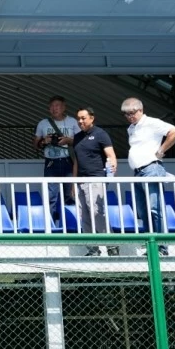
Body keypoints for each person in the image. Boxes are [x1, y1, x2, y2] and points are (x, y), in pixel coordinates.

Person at [122, 97, 175, 255]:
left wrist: (161, 150)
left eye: (132, 113)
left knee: (155, 209)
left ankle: (162, 247)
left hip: (151, 168)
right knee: (143, 211)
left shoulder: (152, 123)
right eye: (126, 114)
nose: (129, 116)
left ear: (140, 110)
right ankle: (151, 246)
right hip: (138, 172)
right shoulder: (131, 128)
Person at [72, 107, 118, 256]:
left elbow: (111, 156)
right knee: (83, 215)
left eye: (83, 118)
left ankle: (112, 246)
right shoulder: (77, 137)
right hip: (80, 181)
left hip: (96, 178)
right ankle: (92, 249)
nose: (80, 121)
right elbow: (76, 162)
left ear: (92, 118)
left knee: (97, 211)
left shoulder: (100, 134)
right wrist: (74, 182)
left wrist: (110, 174)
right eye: (78, 118)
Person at [34, 96, 78, 222]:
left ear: (64, 107)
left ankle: (70, 224)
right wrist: (44, 141)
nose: (54, 108)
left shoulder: (73, 122)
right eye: (52, 106)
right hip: (51, 163)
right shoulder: (43, 123)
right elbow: (35, 145)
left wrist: (69, 140)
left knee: (70, 194)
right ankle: (51, 225)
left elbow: (81, 142)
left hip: (68, 161)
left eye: (57, 106)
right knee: (50, 195)